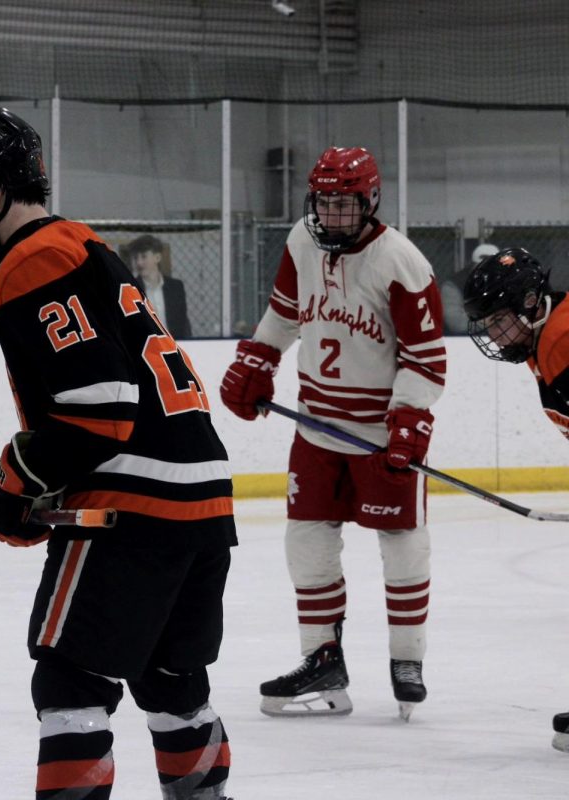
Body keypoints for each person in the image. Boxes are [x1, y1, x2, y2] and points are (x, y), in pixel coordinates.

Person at [0, 108, 235, 799]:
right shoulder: (83, 244)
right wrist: (3, 493)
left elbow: (98, 414)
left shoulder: (31, 261)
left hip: (132, 505)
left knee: (70, 681)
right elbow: (99, 411)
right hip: (202, 499)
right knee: (173, 685)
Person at [219, 146, 446, 721]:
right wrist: (260, 358)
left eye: (346, 205)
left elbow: (425, 359)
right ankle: (322, 659)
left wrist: (410, 418)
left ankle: (406, 659)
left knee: (401, 543)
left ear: (370, 201)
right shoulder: (301, 239)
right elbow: (286, 311)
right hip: (317, 428)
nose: (334, 216)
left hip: (377, 432)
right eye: (325, 203)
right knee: (306, 542)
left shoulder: (402, 262)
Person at [460, 246, 569, 752]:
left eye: (497, 321)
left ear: (529, 303)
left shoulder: (561, 340)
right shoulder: (542, 339)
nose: (491, 334)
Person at [126, 234, 193, 338]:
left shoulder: (176, 287)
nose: (139, 262)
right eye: (136, 258)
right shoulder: (130, 289)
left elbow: (182, 322)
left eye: (144, 256)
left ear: (157, 257)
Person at [441, 242, 498, 335]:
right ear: (473, 265)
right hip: (461, 340)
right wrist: (491, 318)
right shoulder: (453, 285)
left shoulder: (504, 282)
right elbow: (457, 324)